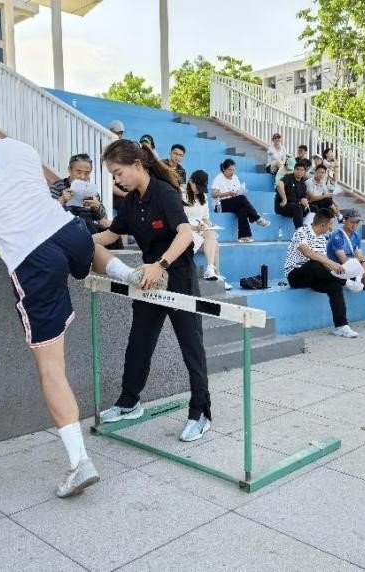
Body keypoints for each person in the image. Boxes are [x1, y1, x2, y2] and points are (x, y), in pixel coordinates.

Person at [0, 111, 148, 498]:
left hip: (33, 258)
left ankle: (80, 463)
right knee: (82, 244)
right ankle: (128, 274)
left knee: (51, 368)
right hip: (69, 233)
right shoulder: (21, 148)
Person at [94, 139, 212, 443]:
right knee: (139, 342)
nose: (116, 180)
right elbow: (110, 235)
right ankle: (129, 402)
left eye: (118, 173)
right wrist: (74, 239)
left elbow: (185, 234)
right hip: (149, 280)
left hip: (179, 277)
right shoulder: (131, 202)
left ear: (137, 165)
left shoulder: (165, 193)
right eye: (113, 175)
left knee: (191, 346)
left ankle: (201, 412)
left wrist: (161, 264)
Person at [284, 208, 362, 338]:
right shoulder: (301, 232)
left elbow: (325, 262)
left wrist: (337, 269)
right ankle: (347, 282)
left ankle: (341, 326)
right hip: (295, 275)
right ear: (323, 225)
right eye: (331, 224)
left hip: (315, 276)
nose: (332, 227)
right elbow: (308, 253)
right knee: (314, 263)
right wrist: (332, 263)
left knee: (335, 286)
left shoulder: (321, 238)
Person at [49, 154, 122, 249]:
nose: (83, 177)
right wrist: (62, 199)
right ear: (69, 170)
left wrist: (97, 206)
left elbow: (102, 218)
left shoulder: (91, 190)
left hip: (89, 226)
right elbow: (48, 212)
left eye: (87, 173)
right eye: (78, 172)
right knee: (85, 224)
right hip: (68, 227)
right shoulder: (57, 187)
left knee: (113, 233)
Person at [184, 170, 230, 289]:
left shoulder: (203, 197)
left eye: (201, 188)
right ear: (191, 182)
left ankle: (211, 270)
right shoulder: (181, 195)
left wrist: (210, 225)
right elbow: (178, 220)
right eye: (197, 187)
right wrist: (195, 227)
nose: (199, 191)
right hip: (185, 231)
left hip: (200, 230)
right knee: (215, 244)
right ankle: (214, 273)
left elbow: (205, 218)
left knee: (211, 234)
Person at [211, 158, 270, 243]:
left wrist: (240, 192)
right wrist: (228, 193)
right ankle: (257, 218)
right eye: (229, 170)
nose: (232, 172)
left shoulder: (235, 177)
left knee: (242, 209)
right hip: (220, 205)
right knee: (242, 199)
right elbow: (214, 194)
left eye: (233, 170)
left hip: (233, 202)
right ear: (224, 169)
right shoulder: (219, 178)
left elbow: (238, 191)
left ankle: (244, 236)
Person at [275, 161, 310, 229]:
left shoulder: (303, 184)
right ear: (294, 170)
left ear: (304, 172)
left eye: (302, 170)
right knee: (297, 208)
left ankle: (309, 231)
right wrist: (284, 199)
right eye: (297, 169)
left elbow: (303, 198)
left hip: (295, 207)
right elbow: (279, 185)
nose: (299, 171)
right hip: (283, 206)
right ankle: (299, 232)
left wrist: (305, 203)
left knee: (313, 208)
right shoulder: (288, 177)